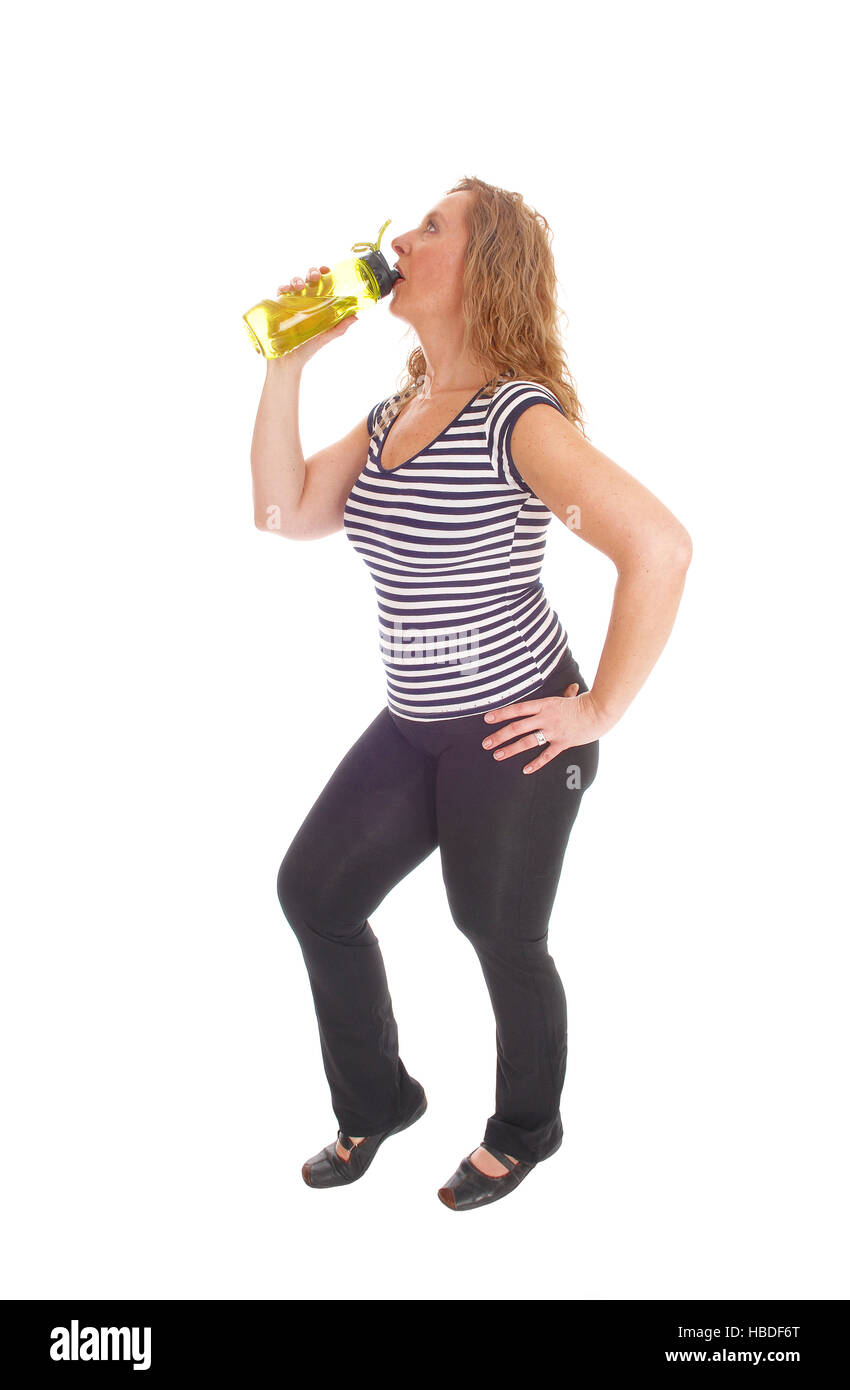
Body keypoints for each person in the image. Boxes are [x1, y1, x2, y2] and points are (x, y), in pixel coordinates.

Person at [249, 176, 692, 1212]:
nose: (401, 237)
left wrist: (595, 711)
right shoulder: (395, 411)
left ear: (481, 269)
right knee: (315, 892)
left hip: (513, 726)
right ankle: (380, 1097)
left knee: (496, 932)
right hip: (414, 724)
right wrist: (286, 367)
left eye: (432, 227)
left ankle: (526, 1127)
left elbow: (659, 548)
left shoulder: (515, 420)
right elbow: (281, 511)